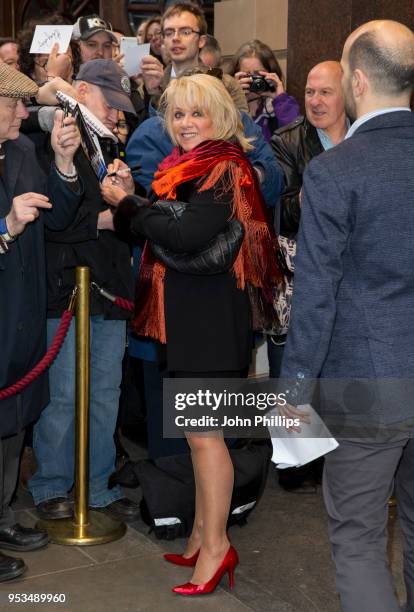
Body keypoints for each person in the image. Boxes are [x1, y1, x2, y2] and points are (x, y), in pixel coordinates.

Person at [101, 73, 281, 595]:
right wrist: (138, 202)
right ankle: (203, 536)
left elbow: (185, 232)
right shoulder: (188, 167)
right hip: (193, 314)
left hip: (211, 319)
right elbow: (173, 224)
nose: (185, 124)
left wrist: (129, 206)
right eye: (177, 115)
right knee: (202, 436)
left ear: (220, 117)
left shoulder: (224, 166)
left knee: (206, 439)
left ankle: (218, 547)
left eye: (196, 113)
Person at [279, 20, 414, 612]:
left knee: (357, 538)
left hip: (367, 382)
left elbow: (315, 295)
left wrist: (295, 393)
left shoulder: (335, 170)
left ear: (357, 80)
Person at [28, 59, 140, 523]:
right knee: (62, 398)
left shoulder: (109, 144)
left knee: (105, 393)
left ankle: (97, 484)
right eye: (109, 102)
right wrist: (107, 218)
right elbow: (54, 220)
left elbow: (114, 214)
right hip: (64, 288)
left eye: (120, 106)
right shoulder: (49, 138)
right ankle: (52, 484)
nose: (116, 113)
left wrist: (125, 204)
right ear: (80, 91)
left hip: (110, 289)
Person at [0, 62, 82, 580]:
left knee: (12, 420)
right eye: (13, 104)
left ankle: (3, 515)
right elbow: (17, 222)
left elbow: (59, 214)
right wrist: (5, 225)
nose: (24, 112)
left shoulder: (25, 150)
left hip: (24, 308)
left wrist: (65, 163)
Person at [269, 61, 348, 492]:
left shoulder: (363, 134)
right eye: (310, 92)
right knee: (296, 362)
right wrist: (310, 198)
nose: (315, 101)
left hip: (352, 264)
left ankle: (341, 452)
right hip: (302, 259)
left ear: (348, 93)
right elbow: (284, 208)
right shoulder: (289, 139)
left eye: (325, 92)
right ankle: (297, 461)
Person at [231, 40, 300, 141]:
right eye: (247, 74)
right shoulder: (227, 106)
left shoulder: (282, 105)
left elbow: (296, 139)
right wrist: (234, 98)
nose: (253, 80)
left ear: (271, 73)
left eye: (258, 74)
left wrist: (280, 99)